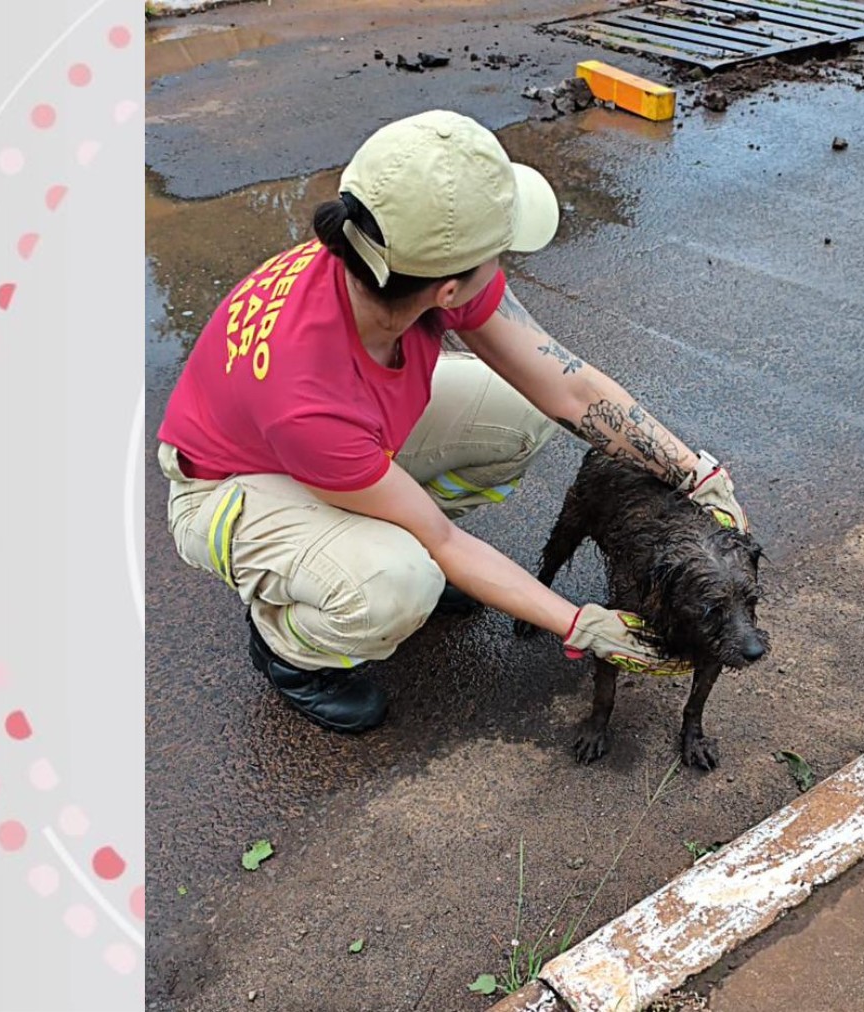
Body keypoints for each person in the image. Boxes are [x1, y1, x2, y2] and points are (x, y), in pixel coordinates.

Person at [155, 110, 747, 733]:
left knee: (520, 416)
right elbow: (442, 539)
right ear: (449, 291)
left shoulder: (380, 254)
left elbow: (566, 388)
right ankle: (295, 651)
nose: (503, 264)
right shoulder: (309, 397)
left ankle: (366, 540)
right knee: (396, 582)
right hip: (228, 487)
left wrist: (695, 472)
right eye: (497, 253)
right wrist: (580, 626)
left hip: (335, 449)